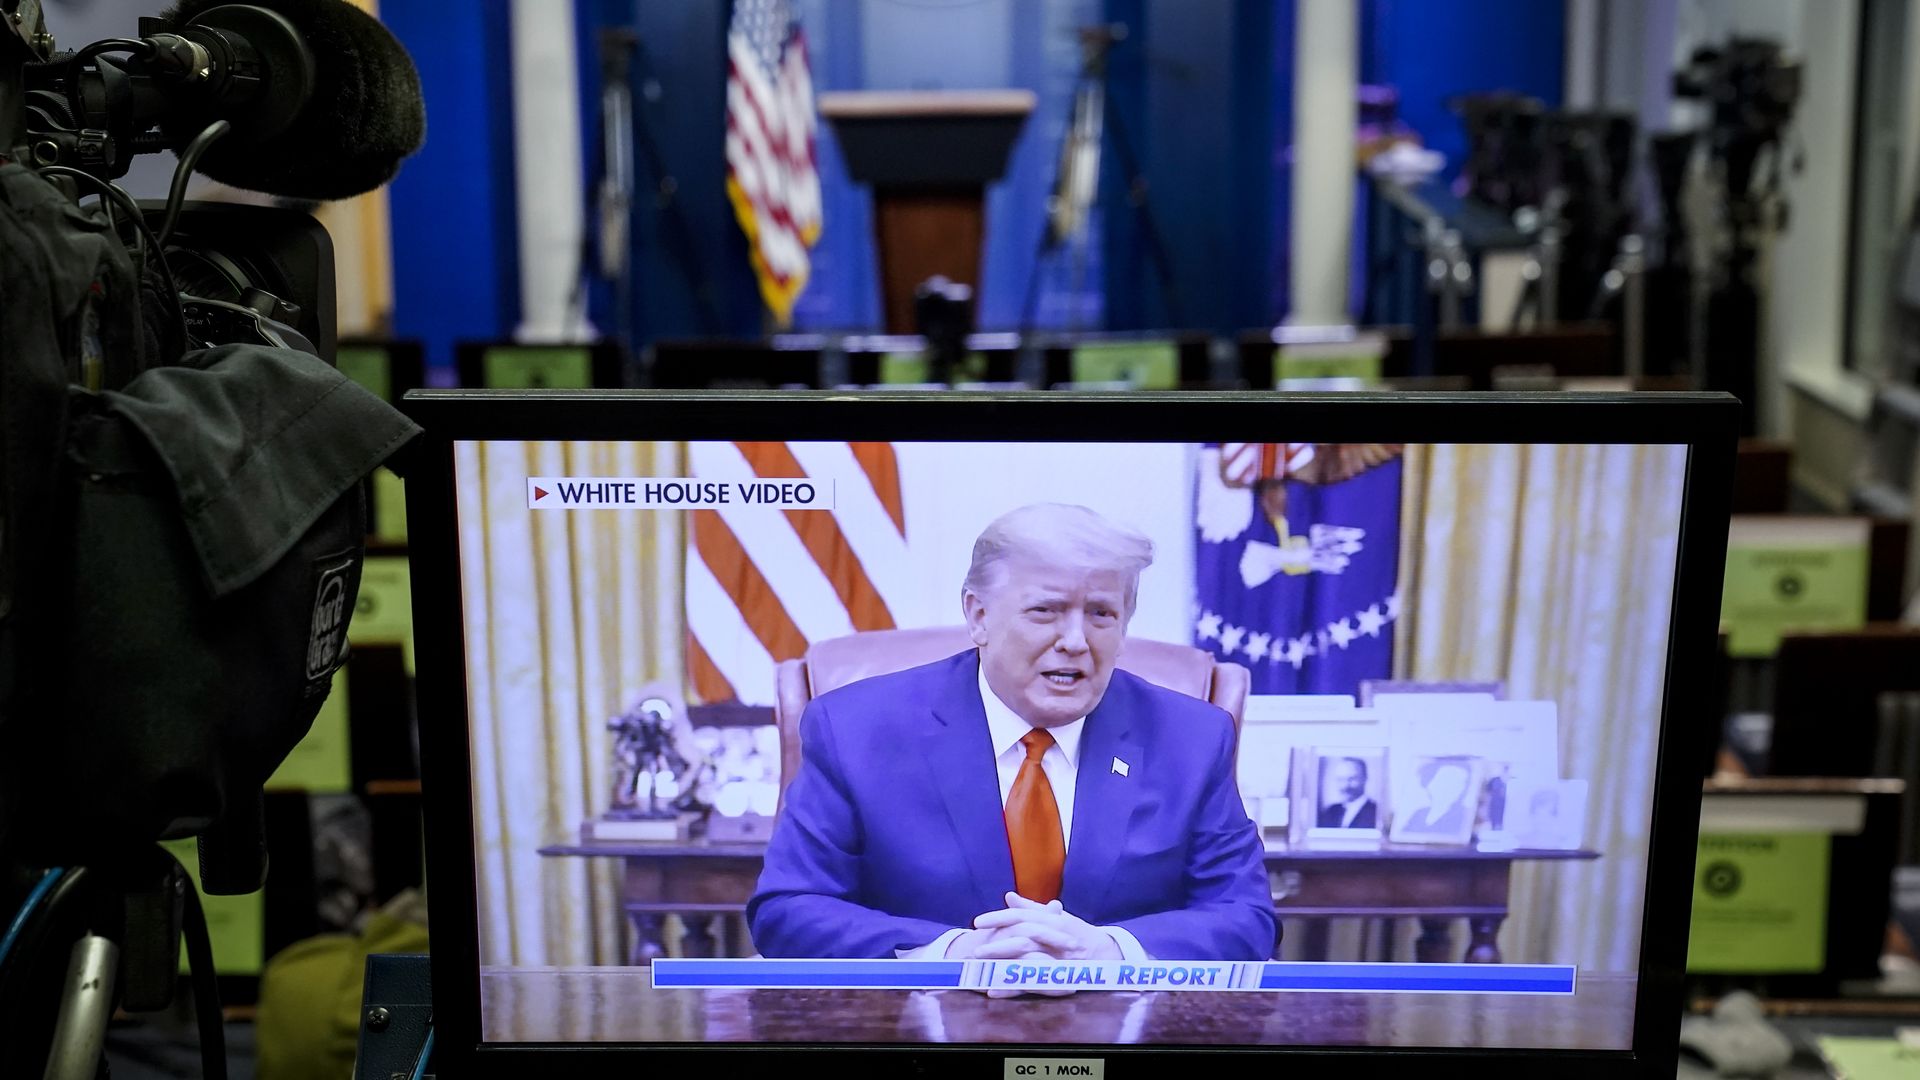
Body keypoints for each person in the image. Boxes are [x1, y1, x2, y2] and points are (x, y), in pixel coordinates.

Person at [748, 503, 1277, 962]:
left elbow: (1246, 915)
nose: (1074, 640)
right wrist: (951, 953)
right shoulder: (855, 729)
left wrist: (1111, 950)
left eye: (1100, 614)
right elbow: (788, 909)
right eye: (1045, 611)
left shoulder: (1191, 737)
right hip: (918, 1034)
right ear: (978, 616)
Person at [1399, 761, 1471, 834]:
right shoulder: (1419, 813)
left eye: (1461, 783)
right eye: (1447, 781)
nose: (1457, 787)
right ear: (1430, 784)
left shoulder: (1465, 816)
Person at [1316, 757, 1378, 829]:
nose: (1345, 786)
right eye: (1341, 779)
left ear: (1365, 778)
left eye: (1351, 779)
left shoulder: (1375, 813)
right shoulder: (1330, 811)